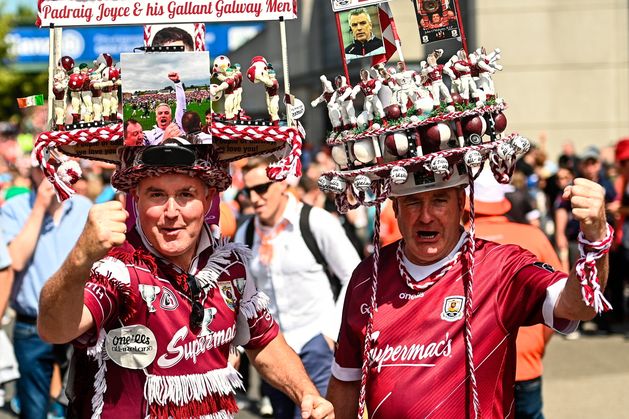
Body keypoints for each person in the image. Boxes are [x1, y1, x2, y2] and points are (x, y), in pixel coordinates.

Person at [37, 144, 334, 418]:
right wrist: (79, 257)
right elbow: (54, 329)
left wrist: (307, 393)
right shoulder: (116, 267)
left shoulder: (230, 265)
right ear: (135, 199)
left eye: (185, 195)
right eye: (156, 194)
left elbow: (264, 343)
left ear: (207, 198)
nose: (171, 212)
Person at [327, 164, 611, 417]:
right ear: (396, 208)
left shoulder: (500, 267)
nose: (426, 216)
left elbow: (578, 306)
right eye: (413, 202)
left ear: (461, 202)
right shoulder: (368, 276)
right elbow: (346, 379)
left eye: (439, 200)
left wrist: (596, 238)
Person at [234, 157, 360, 419]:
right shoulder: (244, 233)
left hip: (317, 345)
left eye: (262, 188)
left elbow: (354, 275)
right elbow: (243, 297)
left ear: (281, 183)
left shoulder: (315, 221)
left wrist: (330, 334)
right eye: (248, 191)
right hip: (275, 353)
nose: (255, 198)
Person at [466, 169, 562, 419]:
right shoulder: (533, 236)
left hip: (471, 369)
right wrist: (537, 344)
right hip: (526, 359)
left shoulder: (454, 243)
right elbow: (561, 303)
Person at [1, 166, 92, 419]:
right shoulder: (15, 208)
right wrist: (39, 208)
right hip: (31, 326)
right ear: (31, 170)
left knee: (77, 402)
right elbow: (15, 261)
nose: (50, 175)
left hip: (77, 320)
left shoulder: (84, 207)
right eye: (43, 168)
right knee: (34, 409)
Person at [144, 72, 187, 145]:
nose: (163, 115)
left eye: (166, 113)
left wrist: (177, 82)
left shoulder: (178, 127)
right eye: (160, 113)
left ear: (170, 117)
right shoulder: (149, 135)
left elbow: (181, 103)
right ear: (156, 118)